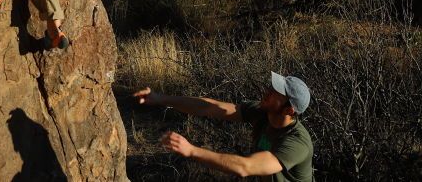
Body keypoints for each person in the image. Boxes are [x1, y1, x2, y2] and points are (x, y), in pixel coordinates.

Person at [134, 72, 314, 181]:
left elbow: (246, 167)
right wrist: (161, 99)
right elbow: (210, 107)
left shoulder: (297, 143)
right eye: (272, 88)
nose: (268, 91)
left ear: (288, 110)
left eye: (276, 93)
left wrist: (191, 150)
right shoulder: (262, 111)